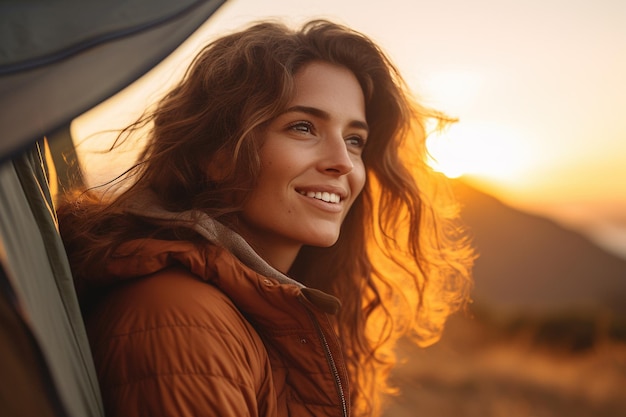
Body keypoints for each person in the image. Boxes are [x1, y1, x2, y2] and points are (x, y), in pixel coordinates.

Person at [58, 19, 474, 417]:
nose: (342, 163)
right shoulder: (181, 317)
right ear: (216, 154)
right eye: (303, 127)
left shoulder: (261, 310)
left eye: (354, 140)